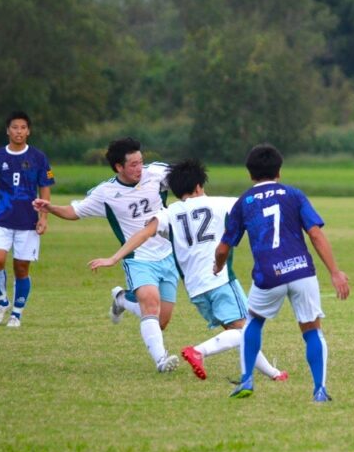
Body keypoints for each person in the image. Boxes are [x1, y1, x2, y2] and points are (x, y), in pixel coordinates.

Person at [87, 158, 287, 383]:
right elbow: (257, 207)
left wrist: (114, 258)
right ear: (200, 186)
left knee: (238, 331)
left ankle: (274, 373)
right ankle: (198, 351)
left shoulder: (169, 212)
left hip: (196, 290)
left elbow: (143, 234)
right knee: (244, 330)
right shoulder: (222, 204)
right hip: (220, 279)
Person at [215, 144, 350, 401]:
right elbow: (315, 233)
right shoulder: (294, 194)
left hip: (268, 275)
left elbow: (224, 248)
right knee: (312, 330)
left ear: (250, 173)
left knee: (253, 322)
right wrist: (335, 271)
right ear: (279, 170)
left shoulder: (244, 202)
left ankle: (246, 381)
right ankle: (319, 389)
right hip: (302, 271)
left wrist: (218, 265)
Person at [34, 137, 180, 373]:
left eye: (141, 162)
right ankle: (161, 360)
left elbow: (184, 178)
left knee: (161, 321)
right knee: (150, 305)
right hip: (137, 257)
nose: (139, 168)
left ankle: (122, 299)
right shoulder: (106, 193)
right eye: (132, 165)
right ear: (118, 167)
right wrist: (51, 208)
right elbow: (75, 211)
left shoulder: (157, 173)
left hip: (168, 255)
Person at [0, 111, 55, 328]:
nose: (18, 131)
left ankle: (16, 314)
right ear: (7, 130)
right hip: (2, 219)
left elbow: (45, 188)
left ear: (28, 131)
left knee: (21, 269)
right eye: (14, 127)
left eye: (22, 127)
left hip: (28, 221)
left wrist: (44, 217)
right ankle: (2, 302)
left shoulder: (39, 157)